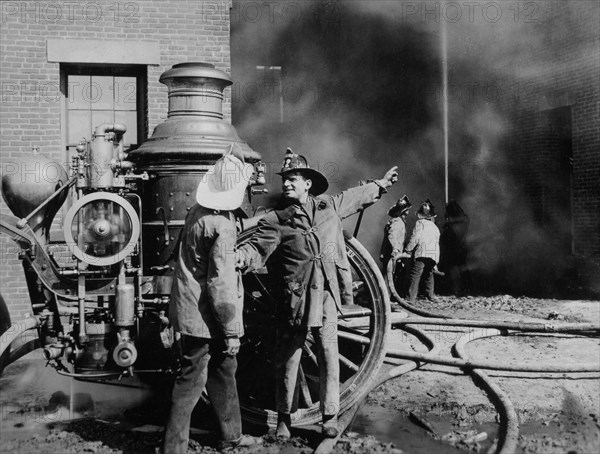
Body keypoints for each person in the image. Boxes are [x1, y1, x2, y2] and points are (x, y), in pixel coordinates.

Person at [236, 149, 398, 439]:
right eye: (285, 179)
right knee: (289, 359)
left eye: (293, 179)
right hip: (293, 301)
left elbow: (356, 196)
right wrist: (241, 257)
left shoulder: (329, 207)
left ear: (307, 183)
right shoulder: (276, 221)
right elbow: (257, 247)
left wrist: (380, 184)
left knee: (328, 354)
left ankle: (329, 416)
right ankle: (284, 419)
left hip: (325, 297)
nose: (286, 184)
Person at [162, 153, 261, 453]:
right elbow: (221, 284)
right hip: (205, 317)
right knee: (191, 381)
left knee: (223, 370)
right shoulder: (223, 224)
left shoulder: (197, 211)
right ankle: (173, 448)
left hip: (190, 309)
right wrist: (232, 332)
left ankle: (231, 436)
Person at [404, 199, 441, 304]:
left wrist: (408, 249)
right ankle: (431, 295)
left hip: (422, 252)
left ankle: (411, 298)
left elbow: (416, 237)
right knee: (429, 274)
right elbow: (437, 241)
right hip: (433, 253)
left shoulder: (420, 223)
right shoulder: (435, 227)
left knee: (415, 274)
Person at [379, 196, 412, 303]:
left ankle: (388, 298)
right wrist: (396, 250)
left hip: (392, 254)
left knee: (392, 276)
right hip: (392, 254)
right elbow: (392, 236)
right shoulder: (398, 222)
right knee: (388, 276)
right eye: (407, 209)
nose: (408, 211)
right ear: (403, 211)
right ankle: (385, 299)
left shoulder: (398, 221)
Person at [439, 199, 471, 296]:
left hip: (454, 250)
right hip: (461, 249)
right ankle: (466, 288)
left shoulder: (452, 226)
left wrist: (449, 222)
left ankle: (457, 290)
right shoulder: (463, 222)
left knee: (453, 271)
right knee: (462, 270)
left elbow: (446, 238)